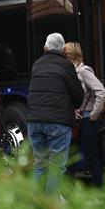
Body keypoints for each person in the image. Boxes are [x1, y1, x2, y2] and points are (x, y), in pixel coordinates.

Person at [27, 33, 84, 197]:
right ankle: (51, 202)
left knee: (39, 163)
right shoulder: (66, 65)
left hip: (34, 120)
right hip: (57, 121)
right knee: (56, 164)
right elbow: (78, 95)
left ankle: (36, 203)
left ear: (45, 48)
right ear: (63, 49)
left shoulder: (36, 64)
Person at [63, 42, 105, 188]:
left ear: (68, 56)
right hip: (78, 120)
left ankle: (99, 190)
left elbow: (101, 92)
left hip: (87, 120)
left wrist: (94, 114)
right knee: (73, 156)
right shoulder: (73, 71)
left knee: (91, 156)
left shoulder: (83, 71)